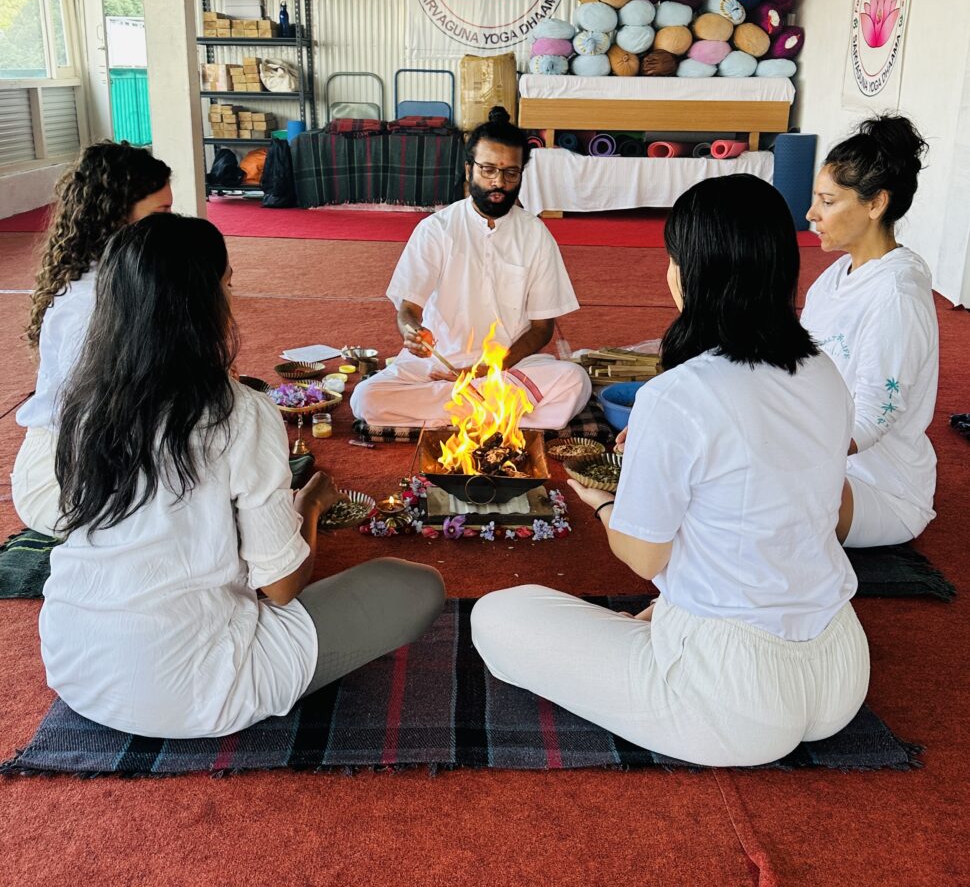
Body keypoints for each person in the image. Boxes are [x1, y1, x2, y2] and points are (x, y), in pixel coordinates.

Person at [471, 175, 869, 768]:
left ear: (697, 273)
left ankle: (674, 631)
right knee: (676, 595)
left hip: (730, 700)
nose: (667, 274)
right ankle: (678, 617)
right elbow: (805, 504)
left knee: (497, 616)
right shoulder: (823, 371)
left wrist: (605, 502)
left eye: (672, 260)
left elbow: (644, 557)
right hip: (841, 671)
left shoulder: (678, 394)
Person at [40, 214, 444, 738]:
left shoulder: (82, 402)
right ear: (199, 304)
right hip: (191, 689)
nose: (231, 300)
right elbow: (280, 587)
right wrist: (311, 508)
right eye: (227, 285)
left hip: (75, 664)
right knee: (415, 587)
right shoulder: (239, 410)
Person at [350, 106, 591, 429]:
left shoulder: (535, 234)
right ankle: (498, 415)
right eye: (488, 169)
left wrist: (491, 368)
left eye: (510, 173)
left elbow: (541, 329)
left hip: (507, 367)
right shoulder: (437, 228)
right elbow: (408, 309)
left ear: (521, 174)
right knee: (366, 398)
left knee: (575, 381)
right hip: (438, 364)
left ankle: (456, 409)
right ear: (468, 170)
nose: (499, 183)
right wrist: (412, 333)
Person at [12, 141, 174, 537]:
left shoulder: (121, 278)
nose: (172, 228)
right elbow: (110, 418)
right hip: (63, 482)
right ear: (117, 217)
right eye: (162, 215)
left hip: (107, 455)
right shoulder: (90, 302)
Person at [802, 115, 938, 547]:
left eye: (828, 201)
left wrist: (780, 448)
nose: (812, 214)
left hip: (882, 490)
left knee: (751, 492)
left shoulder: (897, 295)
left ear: (875, 203)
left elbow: (872, 418)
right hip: (824, 463)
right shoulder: (836, 275)